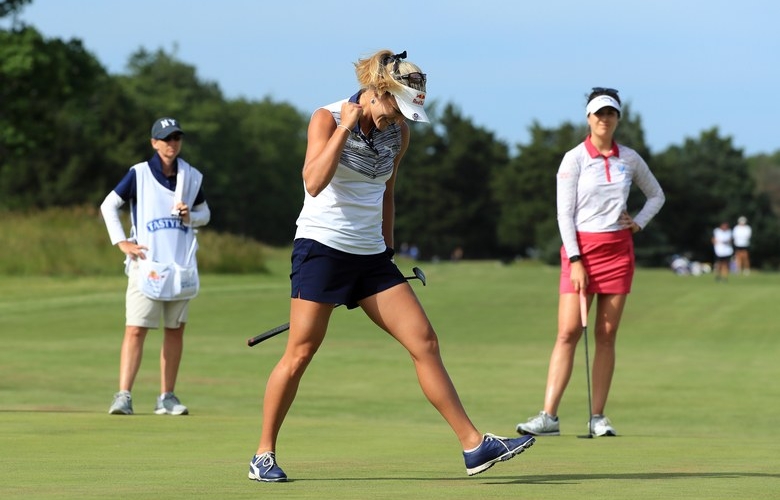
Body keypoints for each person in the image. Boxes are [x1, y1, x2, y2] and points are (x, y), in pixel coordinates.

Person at [247, 49, 534, 483]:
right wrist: (346, 126)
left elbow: (387, 190)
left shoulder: (399, 134)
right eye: (395, 109)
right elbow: (312, 181)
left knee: (425, 341)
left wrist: (388, 244)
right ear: (378, 92)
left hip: (372, 257)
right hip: (321, 250)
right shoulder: (326, 118)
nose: (398, 119)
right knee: (301, 352)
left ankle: (474, 446)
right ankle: (263, 455)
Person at [516, 88, 665, 438]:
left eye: (610, 113)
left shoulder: (629, 158)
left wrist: (639, 220)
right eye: (599, 113)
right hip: (581, 251)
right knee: (568, 332)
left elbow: (656, 194)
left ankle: (598, 416)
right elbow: (563, 214)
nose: (604, 118)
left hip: (618, 251)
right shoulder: (574, 159)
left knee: (607, 334)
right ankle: (548, 416)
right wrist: (577, 259)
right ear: (588, 118)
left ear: (617, 118)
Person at [100, 117, 210, 416]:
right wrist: (121, 242)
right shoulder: (138, 174)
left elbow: (205, 214)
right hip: (146, 264)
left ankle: (167, 397)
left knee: (175, 330)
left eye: (176, 138)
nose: (171, 144)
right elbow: (109, 205)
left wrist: (191, 216)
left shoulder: (191, 176)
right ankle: (123, 395)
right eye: (165, 139)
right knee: (136, 329)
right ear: (154, 143)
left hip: (181, 265)